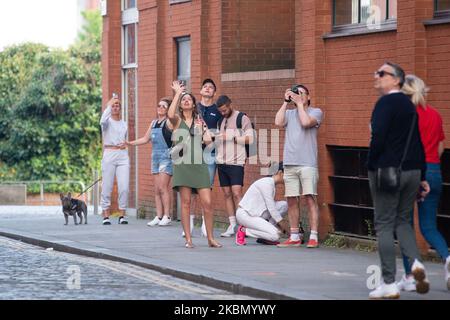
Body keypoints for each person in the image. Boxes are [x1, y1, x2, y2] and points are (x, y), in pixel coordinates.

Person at [367, 62, 431, 299]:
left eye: (382, 73)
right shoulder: (409, 105)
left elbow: (378, 137)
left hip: (387, 170)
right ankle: (416, 265)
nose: (377, 76)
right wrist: (423, 176)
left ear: (396, 80)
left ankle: (388, 283)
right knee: (404, 221)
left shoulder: (385, 103)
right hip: (412, 170)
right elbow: (417, 142)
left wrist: (371, 164)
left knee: (384, 223)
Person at [396, 74, 450, 292]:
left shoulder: (406, 115)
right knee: (428, 226)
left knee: (405, 224)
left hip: (411, 171)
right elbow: (441, 147)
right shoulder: (435, 114)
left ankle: (410, 275)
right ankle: (447, 258)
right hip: (434, 171)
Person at [167, 80, 222, 249]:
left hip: (199, 164)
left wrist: (202, 130)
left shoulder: (200, 120)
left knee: (207, 202)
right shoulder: (176, 120)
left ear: (193, 104)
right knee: (185, 202)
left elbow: (207, 141)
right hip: (183, 164)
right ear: (181, 105)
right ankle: (188, 239)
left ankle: (211, 239)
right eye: (183, 100)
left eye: (188, 99)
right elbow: (169, 114)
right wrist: (178, 93)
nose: (186, 101)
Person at [274, 84, 323, 248]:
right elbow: (278, 122)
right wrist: (284, 101)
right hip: (290, 162)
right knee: (291, 200)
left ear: (308, 97)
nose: (298, 95)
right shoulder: (289, 112)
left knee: (310, 198)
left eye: (302, 93)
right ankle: (294, 235)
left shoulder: (316, 112)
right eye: (296, 93)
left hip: (307, 162)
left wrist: (300, 104)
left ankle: (314, 236)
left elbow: (305, 122)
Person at [183, 79, 222, 238]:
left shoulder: (217, 110)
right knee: (191, 190)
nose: (207, 89)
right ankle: (190, 222)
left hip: (210, 152)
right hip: (192, 152)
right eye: (205, 86)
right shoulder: (193, 107)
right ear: (200, 91)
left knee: (207, 188)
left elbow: (221, 131)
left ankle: (206, 224)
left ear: (214, 92)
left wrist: (211, 134)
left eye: (211, 87)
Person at [126, 97, 173, 227]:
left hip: (166, 157)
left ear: (169, 109)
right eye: (159, 105)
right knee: (157, 189)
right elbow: (145, 139)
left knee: (163, 187)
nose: (160, 108)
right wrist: (130, 143)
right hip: (155, 157)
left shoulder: (169, 122)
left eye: (164, 106)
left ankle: (167, 216)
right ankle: (158, 216)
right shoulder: (153, 123)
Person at [215, 95, 254, 238]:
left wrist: (230, 137)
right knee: (226, 194)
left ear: (230, 104)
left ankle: (243, 224)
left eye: (225, 110)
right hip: (222, 162)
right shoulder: (221, 120)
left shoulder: (242, 118)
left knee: (237, 193)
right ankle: (232, 224)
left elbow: (250, 139)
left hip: (236, 162)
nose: (223, 113)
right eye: (221, 111)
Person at [235, 162, 290, 246]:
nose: (288, 178)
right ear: (280, 173)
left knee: (283, 205)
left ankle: (265, 237)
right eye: (287, 174)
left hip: (256, 214)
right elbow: (271, 209)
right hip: (246, 215)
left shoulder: (270, 184)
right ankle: (244, 231)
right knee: (275, 235)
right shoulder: (266, 183)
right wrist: (286, 229)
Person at [99, 95, 130, 225]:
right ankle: (106, 215)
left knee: (124, 187)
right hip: (109, 154)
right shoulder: (106, 123)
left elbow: (125, 140)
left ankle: (122, 215)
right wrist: (109, 104)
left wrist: (126, 144)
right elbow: (102, 121)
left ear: (121, 108)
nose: (115, 107)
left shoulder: (124, 124)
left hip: (122, 155)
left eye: (117, 105)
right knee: (107, 185)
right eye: (113, 105)